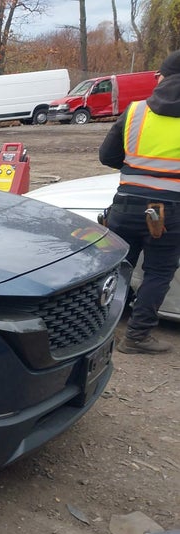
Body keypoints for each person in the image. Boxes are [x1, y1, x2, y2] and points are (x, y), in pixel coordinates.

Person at [98, 50, 180, 354]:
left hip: (125, 205)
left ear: (162, 77)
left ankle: (96, 330)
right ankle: (137, 336)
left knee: (117, 269)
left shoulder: (135, 111)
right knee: (158, 273)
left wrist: (136, 167)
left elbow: (107, 157)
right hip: (168, 213)